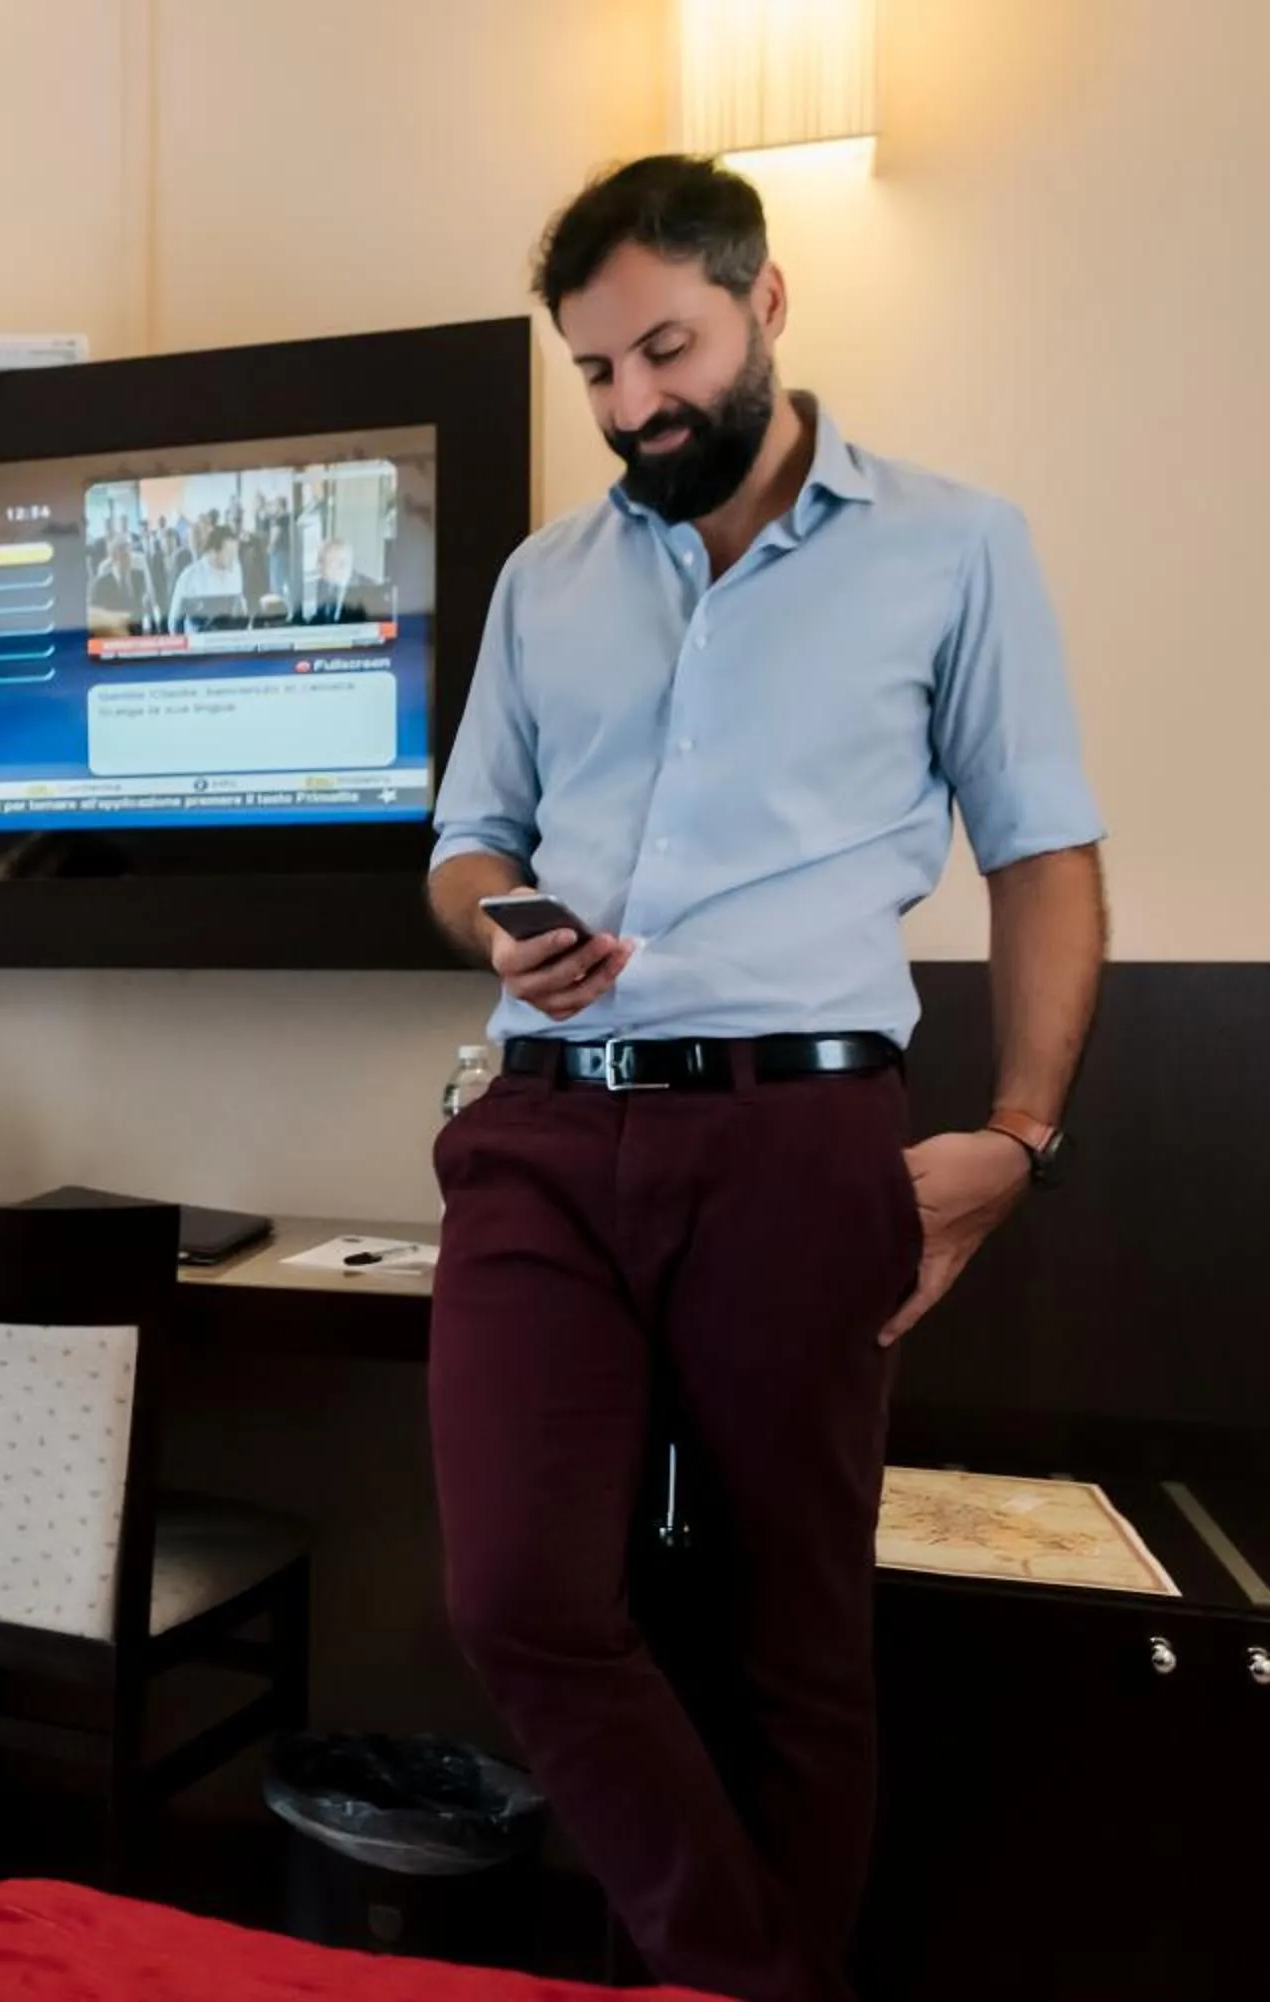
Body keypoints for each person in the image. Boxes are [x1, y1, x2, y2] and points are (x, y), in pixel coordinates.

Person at [424, 157, 1104, 2002]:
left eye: (667, 347)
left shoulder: (956, 544)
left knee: (789, 1633)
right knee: (520, 1597)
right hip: (547, 1125)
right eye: (595, 371)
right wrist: (502, 928)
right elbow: (464, 844)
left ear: (767, 303)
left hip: (801, 1128)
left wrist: (1020, 1137)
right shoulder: (542, 578)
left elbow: (1043, 851)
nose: (636, 403)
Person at [165, 521, 250, 630]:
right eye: (229, 554)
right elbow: (174, 621)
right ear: (213, 551)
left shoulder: (236, 570)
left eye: (235, 554)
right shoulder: (190, 576)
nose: (233, 559)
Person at [298, 538, 385, 623]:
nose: (318, 567)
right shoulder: (310, 589)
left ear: (342, 565)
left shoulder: (369, 589)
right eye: (319, 562)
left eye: (322, 562)